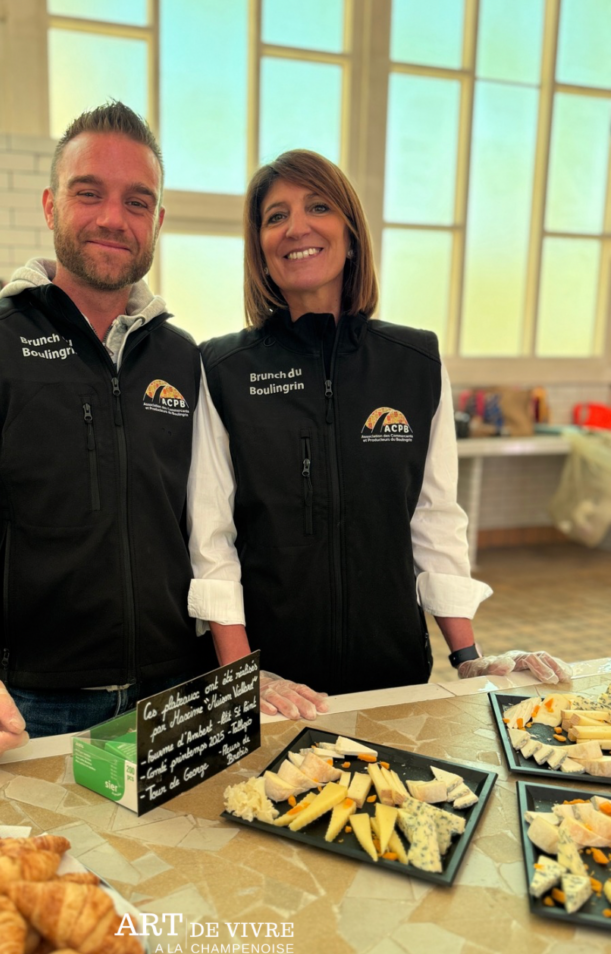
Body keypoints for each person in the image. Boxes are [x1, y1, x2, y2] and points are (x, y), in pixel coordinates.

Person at [187, 149, 571, 720]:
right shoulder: (222, 369)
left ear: (351, 233)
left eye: (318, 206)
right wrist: (244, 679)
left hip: (394, 677)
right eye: (275, 216)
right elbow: (211, 541)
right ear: (260, 251)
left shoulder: (415, 361)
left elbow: (435, 518)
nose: (296, 227)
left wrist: (469, 658)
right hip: (274, 688)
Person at [0, 101, 214, 761]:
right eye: (88, 192)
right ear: (50, 205)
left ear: (156, 221)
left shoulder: (182, 357)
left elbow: (209, 526)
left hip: (175, 687)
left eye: (136, 202)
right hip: (35, 701)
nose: (111, 218)